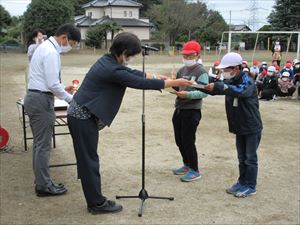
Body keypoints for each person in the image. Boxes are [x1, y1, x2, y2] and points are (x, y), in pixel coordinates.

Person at [67, 32, 192, 214]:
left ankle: (94, 199)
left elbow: (132, 73)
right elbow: (138, 82)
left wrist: (159, 77)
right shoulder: (112, 69)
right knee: (89, 161)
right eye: (132, 55)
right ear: (124, 52)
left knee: (88, 159)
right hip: (82, 117)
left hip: (82, 115)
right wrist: (173, 82)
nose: (131, 59)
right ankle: (96, 204)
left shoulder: (108, 60)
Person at [23, 24, 81, 197]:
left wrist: (63, 88)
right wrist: (72, 99)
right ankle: (43, 185)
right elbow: (52, 84)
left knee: (40, 145)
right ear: (64, 38)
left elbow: (48, 81)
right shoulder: (50, 52)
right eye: (72, 43)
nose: (70, 47)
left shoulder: (44, 47)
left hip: (37, 96)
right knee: (43, 146)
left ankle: (42, 182)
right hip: (41, 100)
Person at [201, 52, 263, 198]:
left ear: (236, 68)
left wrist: (219, 85)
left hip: (251, 126)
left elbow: (239, 91)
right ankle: (242, 182)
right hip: (239, 126)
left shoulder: (247, 80)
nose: (223, 72)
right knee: (241, 157)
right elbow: (217, 89)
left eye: (226, 69)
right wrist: (197, 85)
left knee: (250, 158)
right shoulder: (232, 80)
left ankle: (250, 185)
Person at [171, 40, 208, 182]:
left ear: (197, 55)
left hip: (192, 111)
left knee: (188, 140)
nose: (186, 58)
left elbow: (204, 92)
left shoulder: (201, 71)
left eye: (190, 56)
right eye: (185, 56)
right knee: (179, 139)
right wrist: (171, 83)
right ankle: (186, 164)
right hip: (179, 108)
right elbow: (177, 87)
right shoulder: (182, 70)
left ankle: (195, 169)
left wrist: (188, 95)